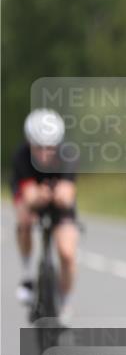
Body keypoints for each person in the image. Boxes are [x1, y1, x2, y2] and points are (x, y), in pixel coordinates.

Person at [11, 109, 78, 312]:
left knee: (67, 253)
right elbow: (29, 195)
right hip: (32, 196)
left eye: (49, 148)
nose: (43, 154)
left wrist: (59, 195)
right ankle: (28, 275)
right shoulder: (21, 157)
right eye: (37, 147)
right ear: (29, 142)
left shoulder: (69, 155)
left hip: (58, 202)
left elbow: (67, 193)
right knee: (25, 220)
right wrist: (38, 196)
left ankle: (64, 302)